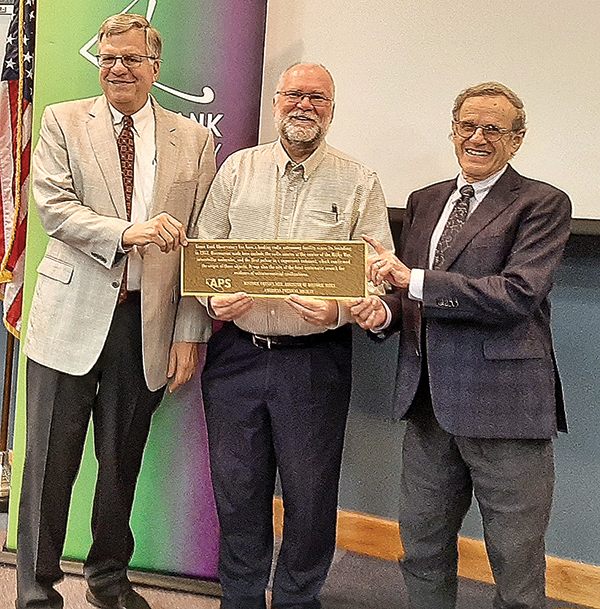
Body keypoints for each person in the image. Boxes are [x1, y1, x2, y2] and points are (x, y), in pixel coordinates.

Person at [16, 14, 215, 609]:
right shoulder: (62, 120)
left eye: (130, 59)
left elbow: (199, 243)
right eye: (107, 59)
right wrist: (131, 232)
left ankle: (107, 578)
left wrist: (189, 330)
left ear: (154, 67)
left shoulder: (194, 140)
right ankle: (33, 588)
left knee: (120, 464)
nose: (118, 69)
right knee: (49, 465)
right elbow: (54, 209)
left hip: (144, 324)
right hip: (67, 319)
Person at [350, 82, 571, 609]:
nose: (478, 136)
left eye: (493, 128)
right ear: (452, 132)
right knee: (422, 549)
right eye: (467, 126)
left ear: (516, 141)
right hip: (427, 407)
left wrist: (413, 281)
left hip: (506, 409)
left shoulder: (543, 203)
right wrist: (382, 314)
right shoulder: (425, 201)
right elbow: (411, 294)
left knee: (516, 566)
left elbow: (517, 294)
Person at [194, 63, 393, 609]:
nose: (304, 106)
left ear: (332, 108)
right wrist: (214, 298)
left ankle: (297, 599)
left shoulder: (359, 181)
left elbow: (379, 276)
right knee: (238, 490)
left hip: (315, 361)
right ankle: (239, 597)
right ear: (276, 102)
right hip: (237, 355)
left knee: (310, 494)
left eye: (318, 98)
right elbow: (205, 250)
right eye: (293, 95)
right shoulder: (237, 169)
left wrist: (338, 308)